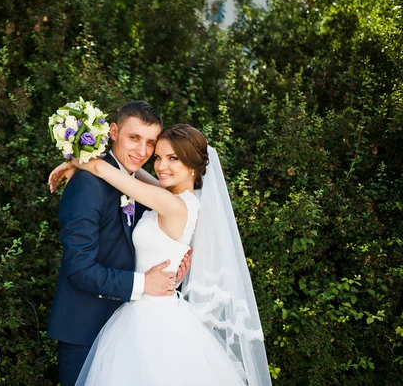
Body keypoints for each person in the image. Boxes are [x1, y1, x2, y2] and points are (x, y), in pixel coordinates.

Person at [50, 124, 272, 385]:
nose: (161, 166)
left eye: (173, 158)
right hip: (144, 308)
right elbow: (133, 173)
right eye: (159, 157)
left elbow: (104, 170)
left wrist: (73, 162)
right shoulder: (174, 197)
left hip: (151, 316)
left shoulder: (172, 204)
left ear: (193, 166)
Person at [47, 101, 193, 386]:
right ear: (113, 131)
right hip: (86, 330)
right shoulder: (87, 184)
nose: (142, 152)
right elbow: (79, 268)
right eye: (134, 138)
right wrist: (143, 283)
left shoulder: (140, 185)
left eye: (150, 142)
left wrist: (173, 268)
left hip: (133, 330)